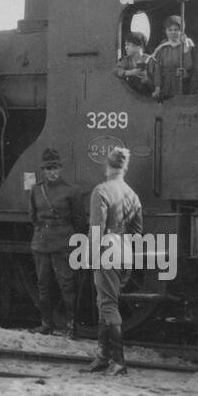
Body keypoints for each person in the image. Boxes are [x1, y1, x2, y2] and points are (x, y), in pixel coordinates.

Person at [84, 147, 142, 375]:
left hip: (106, 249)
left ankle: (118, 361)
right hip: (124, 251)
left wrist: (89, 256)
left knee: (107, 305)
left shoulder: (101, 190)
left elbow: (96, 228)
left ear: (106, 166)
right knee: (105, 303)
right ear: (125, 168)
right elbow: (138, 232)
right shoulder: (132, 194)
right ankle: (103, 356)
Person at [28, 149, 89, 338]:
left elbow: (80, 221)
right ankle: (46, 324)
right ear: (43, 170)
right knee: (43, 285)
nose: (51, 172)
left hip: (64, 244)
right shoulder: (36, 190)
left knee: (67, 285)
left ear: (60, 168)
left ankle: (72, 327)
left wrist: (72, 241)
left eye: (54, 168)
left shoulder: (72, 191)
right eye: (48, 169)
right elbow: (33, 216)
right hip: (42, 244)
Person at [149, 16, 194, 101]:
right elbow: (157, 69)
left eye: (176, 29)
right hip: (165, 86)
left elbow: (189, 66)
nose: (173, 32)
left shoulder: (188, 44)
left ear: (181, 31)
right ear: (166, 31)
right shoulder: (162, 47)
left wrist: (185, 46)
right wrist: (157, 87)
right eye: (170, 29)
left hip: (182, 86)